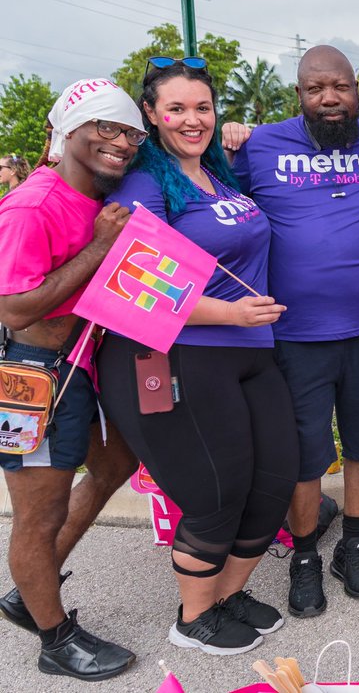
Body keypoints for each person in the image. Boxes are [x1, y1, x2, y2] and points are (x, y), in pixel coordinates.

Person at [98, 58, 298, 655]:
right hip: (187, 354)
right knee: (217, 490)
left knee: (274, 480)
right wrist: (231, 314)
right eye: (177, 108)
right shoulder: (146, 184)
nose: (193, 119)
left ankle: (228, 595)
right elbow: (134, 283)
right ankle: (193, 618)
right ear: (152, 116)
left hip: (253, 352)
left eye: (203, 107)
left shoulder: (219, 175)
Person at [231, 46, 359, 618]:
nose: (329, 98)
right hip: (294, 335)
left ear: (357, 90)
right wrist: (227, 135)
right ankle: (304, 557)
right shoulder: (261, 146)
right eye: (316, 88)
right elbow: (206, 189)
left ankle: (353, 544)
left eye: (340, 86)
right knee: (305, 454)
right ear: (299, 95)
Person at [0, 78, 141, 680]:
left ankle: (28, 594)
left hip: (79, 367)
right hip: (30, 375)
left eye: (130, 133)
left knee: (117, 462)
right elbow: (14, 308)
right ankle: (55, 641)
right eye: (106, 128)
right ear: (68, 131)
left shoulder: (94, 198)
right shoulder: (32, 205)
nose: (121, 142)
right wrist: (101, 248)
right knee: (39, 515)